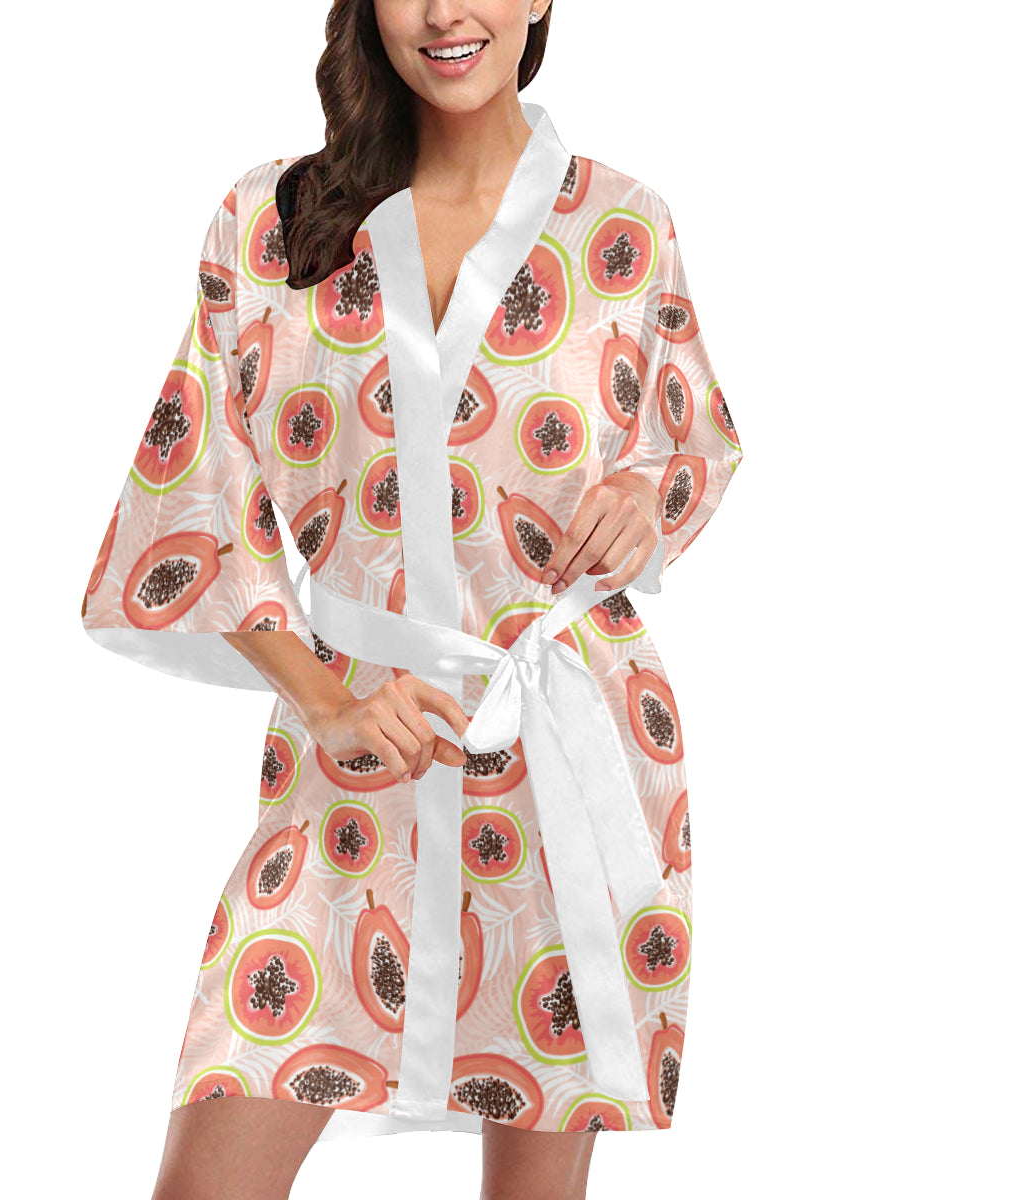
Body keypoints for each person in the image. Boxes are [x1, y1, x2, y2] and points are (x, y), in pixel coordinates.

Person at [79, 1, 744, 1196]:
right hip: (351, 770)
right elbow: (197, 493)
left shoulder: (624, 226)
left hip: (569, 760)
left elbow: (689, 444)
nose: (444, 12)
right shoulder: (272, 220)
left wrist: (647, 500)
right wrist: (326, 700)